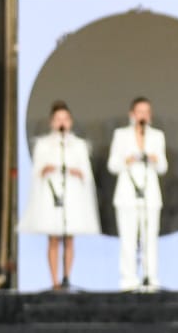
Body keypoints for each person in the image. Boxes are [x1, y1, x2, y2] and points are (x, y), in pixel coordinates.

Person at [16, 101, 101, 290]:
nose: (62, 122)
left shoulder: (78, 145)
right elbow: (36, 171)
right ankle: (54, 281)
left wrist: (75, 172)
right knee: (53, 238)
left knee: (69, 238)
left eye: (65, 118)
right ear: (52, 122)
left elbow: (86, 173)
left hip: (72, 195)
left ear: (70, 121)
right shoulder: (44, 145)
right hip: (51, 195)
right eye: (58, 119)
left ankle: (67, 277)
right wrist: (47, 169)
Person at [107, 97, 169, 290]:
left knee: (150, 237)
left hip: (150, 194)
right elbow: (112, 165)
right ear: (132, 114)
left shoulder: (157, 136)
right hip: (127, 194)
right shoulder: (121, 135)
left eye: (146, 112)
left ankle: (150, 277)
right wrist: (128, 159)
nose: (143, 115)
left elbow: (163, 167)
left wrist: (153, 158)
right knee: (128, 238)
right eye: (139, 111)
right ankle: (128, 279)